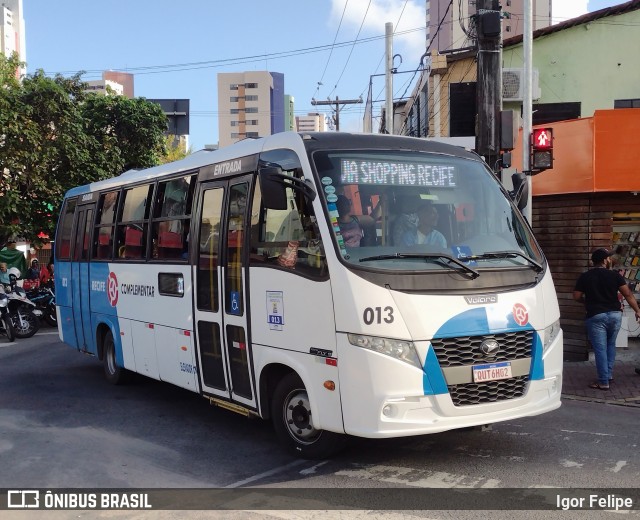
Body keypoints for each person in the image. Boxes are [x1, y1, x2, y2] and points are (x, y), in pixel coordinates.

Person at [573, 247, 640, 390]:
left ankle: (603, 381)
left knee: (600, 349)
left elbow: (577, 296)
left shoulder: (585, 276)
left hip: (596, 315)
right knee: (610, 345)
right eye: (608, 257)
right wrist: (637, 310)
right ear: (604, 261)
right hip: (615, 315)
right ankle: (608, 375)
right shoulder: (615, 275)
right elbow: (628, 294)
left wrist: (588, 302)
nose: (610, 259)